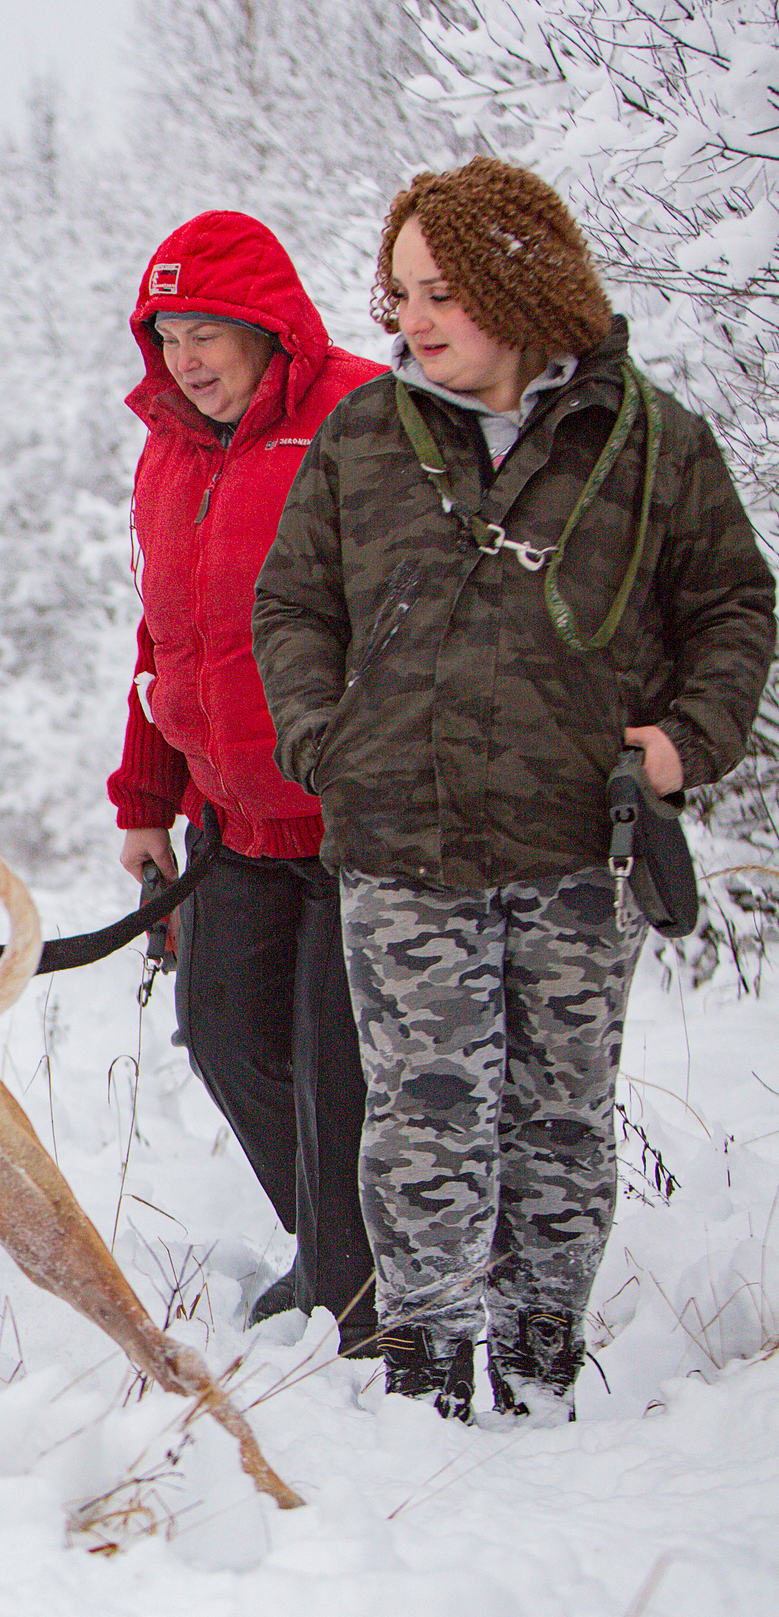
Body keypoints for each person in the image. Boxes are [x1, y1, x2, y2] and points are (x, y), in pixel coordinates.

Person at [254, 158, 774, 1423]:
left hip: (573, 846)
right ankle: (426, 1369)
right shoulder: (362, 437)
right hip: (400, 844)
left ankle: (539, 1366)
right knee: (423, 1119)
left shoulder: (651, 444)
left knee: (556, 1122)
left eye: (442, 291)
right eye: (401, 293)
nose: (411, 320)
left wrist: (681, 746)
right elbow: (291, 606)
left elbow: (734, 610)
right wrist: (327, 743)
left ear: (520, 285)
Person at [109, 211, 384, 1356]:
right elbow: (163, 636)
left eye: (208, 331)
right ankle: (338, 1258)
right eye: (166, 334)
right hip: (229, 817)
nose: (186, 359)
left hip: (350, 817)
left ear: (270, 326)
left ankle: (357, 1292)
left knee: (339, 1067)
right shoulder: (169, 449)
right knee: (222, 1036)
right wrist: (144, 802)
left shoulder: (365, 420)